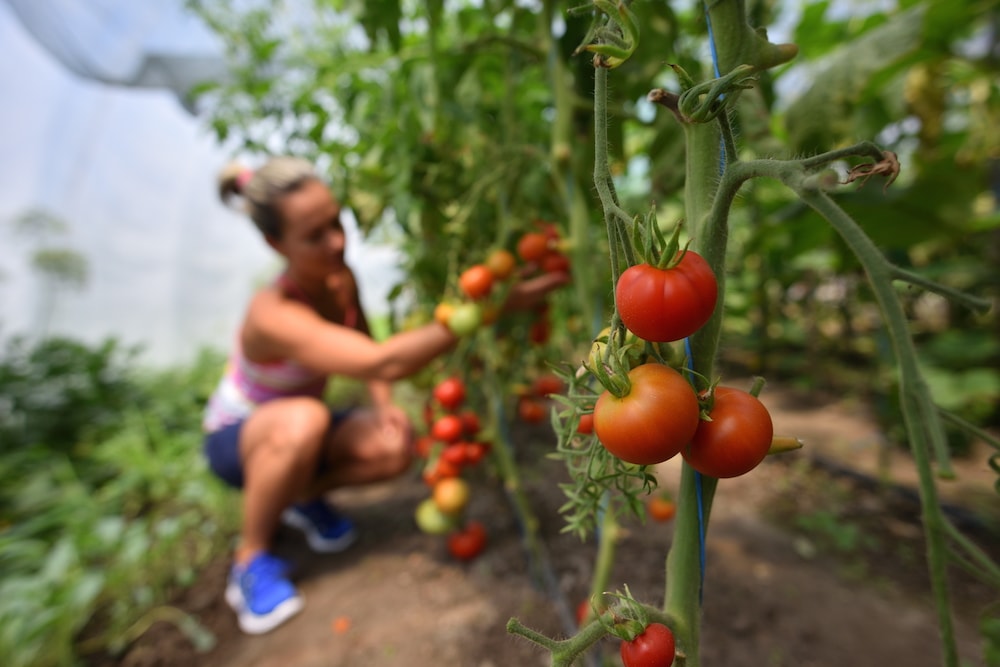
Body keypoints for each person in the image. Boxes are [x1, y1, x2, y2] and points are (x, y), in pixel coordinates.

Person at [203, 156, 569, 635]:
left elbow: (366, 346)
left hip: (299, 423)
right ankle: (249, 561)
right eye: (315, 235)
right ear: (275, 243)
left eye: (337, 222)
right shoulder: (271, 312)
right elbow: (384, 362)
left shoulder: (339, 278)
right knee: (304, 421)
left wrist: (383, 405)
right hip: (238, 437)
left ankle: (295, 496)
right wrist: (495, 306)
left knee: (394, 446)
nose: (337, 241)